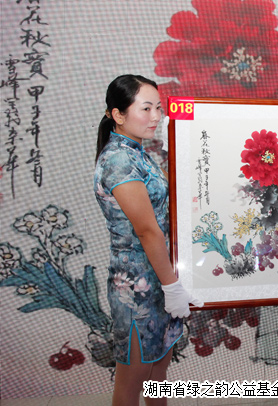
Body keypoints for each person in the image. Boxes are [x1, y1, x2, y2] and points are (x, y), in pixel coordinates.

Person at [94, 74, 202, 406]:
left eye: (158, 108)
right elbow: (147, 230)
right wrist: (172, 286)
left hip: (159, 277)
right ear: (118, 114)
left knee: (157, 377)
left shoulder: (137, 151)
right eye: (145, 108)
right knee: (131, 385)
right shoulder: (119, 159)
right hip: (137, 286)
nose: (155, 116)